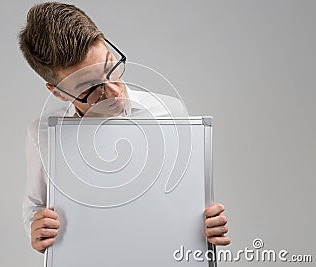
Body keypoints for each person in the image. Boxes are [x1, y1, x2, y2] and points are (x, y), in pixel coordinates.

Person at [18, 2, 230, 254]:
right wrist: (37, 227)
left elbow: (186, 202)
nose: (114, 91)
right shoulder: (43, 134)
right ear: (57, 93)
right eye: (89, 89)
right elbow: (34, 207)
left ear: (107, 45)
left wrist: (206, 222)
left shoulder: (170, 113)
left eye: (110, 68)